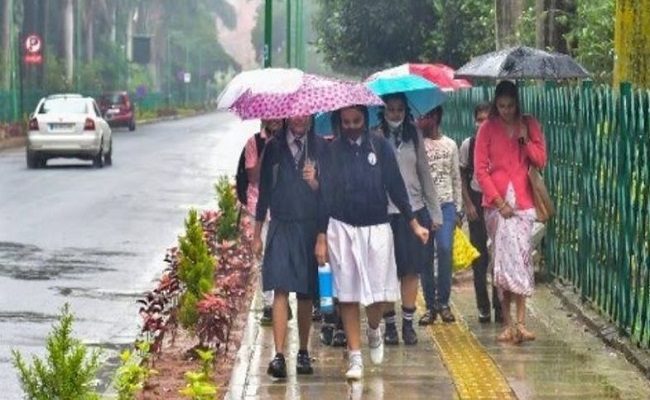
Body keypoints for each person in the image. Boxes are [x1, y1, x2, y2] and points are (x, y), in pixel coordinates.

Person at [316, 105, 429, 380]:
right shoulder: (331, 152)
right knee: (349, 294)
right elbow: (324, 197)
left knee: (378, 295)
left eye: (357, 120)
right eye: (346, 122)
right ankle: (355, 357)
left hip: (377, 228)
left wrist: (414, 223)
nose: (352, 126)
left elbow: (396, 187)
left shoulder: (380, 146)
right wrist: (321, 237)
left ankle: (375, 329)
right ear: (339, 122)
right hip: (342, 228)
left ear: (365, 120)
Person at [253, 115, 328, 379]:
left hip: (308, 226)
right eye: (295, 114)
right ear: (287, 116)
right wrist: (256, 233)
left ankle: (303, 351)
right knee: (280, 289)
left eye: (305, 114)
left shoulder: (320, 147)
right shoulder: (274, 147)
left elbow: (327, 196)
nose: (299, 119)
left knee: (306, 293)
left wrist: (315, 183)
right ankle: (279, 355)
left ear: (310, 117)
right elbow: (264, 193)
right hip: (281, 225)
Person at [474, 80, 547, 343]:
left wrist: (526, 141)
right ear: (496, 104)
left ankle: (522, 322)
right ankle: (507, 322)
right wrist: (497, 201)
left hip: (524, 204)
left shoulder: (529, 124)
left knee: (522, 260)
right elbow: (480, 170)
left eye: (510, 105)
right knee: (503, 263)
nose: (506, 110)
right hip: (497, 207)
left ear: (517, 104)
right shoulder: (486, 129)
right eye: (501, 106)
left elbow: (541, 160)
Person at [376, 93, 442, 346]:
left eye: (399, 109)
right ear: (383, 111)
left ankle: (407, 324)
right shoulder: (375, 136)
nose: (395, 114)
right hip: (383, 212)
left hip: (414, 211)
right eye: (390, 109)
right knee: (385, 271)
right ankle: (389, 325)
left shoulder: (414, 135)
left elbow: (424, 173)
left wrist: (434, 212)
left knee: (411, 270)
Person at [417, 106, 463, 325]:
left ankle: (444, 301)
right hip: (423, 206)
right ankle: (429, 305)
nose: (420, 120)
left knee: (445, 250)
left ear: (434, 117)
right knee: (424, 256)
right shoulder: (416, 144)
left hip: (446, 205)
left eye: (424, 116)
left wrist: (458, 209)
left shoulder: (451, 145)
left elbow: (456, 177)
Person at [242, 119, 290, 326]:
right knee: (262, 257)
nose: (274, 119)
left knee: (285, 254)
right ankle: (270, 304)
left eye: (279, 115)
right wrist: (268, 149)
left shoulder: (292, 141)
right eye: (269, 115)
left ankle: (283, 297)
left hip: (285, 207)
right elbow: (253, 176)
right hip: (258, 204)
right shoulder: (254, 142)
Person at [459, 103, 503, 324]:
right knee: (479, 257)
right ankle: (483, 306)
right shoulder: (469, 144)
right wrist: (468, 204)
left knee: (499, 255)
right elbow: (462, 175)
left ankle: (499, 305)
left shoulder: (501, 143)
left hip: (497, 201)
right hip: (477, 201)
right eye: (479, 119)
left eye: (487, 119)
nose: (483, 123)